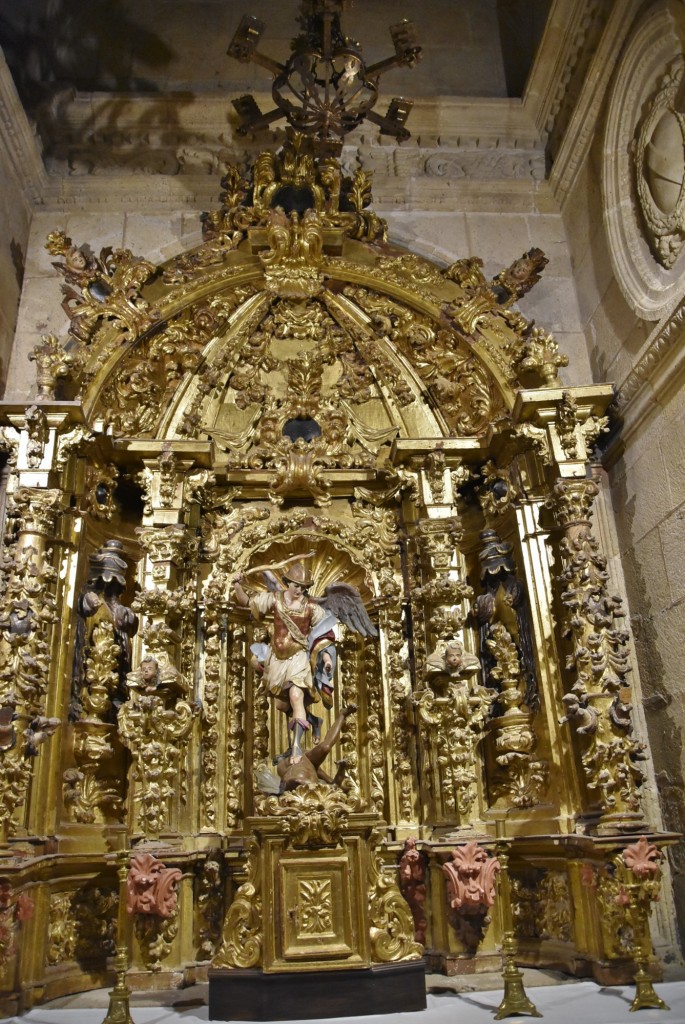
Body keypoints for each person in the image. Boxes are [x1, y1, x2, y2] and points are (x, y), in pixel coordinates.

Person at [232, 561, 335, 764]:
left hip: (298, 658)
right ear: (287, 582)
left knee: (296, 696)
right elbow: (247, 603)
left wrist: (326, 658)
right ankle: (314, 721)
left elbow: (325, 635)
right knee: (282, 704)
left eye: (304, 587)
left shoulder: (311, 608)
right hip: (277, 659)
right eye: (297, 585)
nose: (300, 590)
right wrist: (237, 585)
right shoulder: (275, 599)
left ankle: (297, 749)